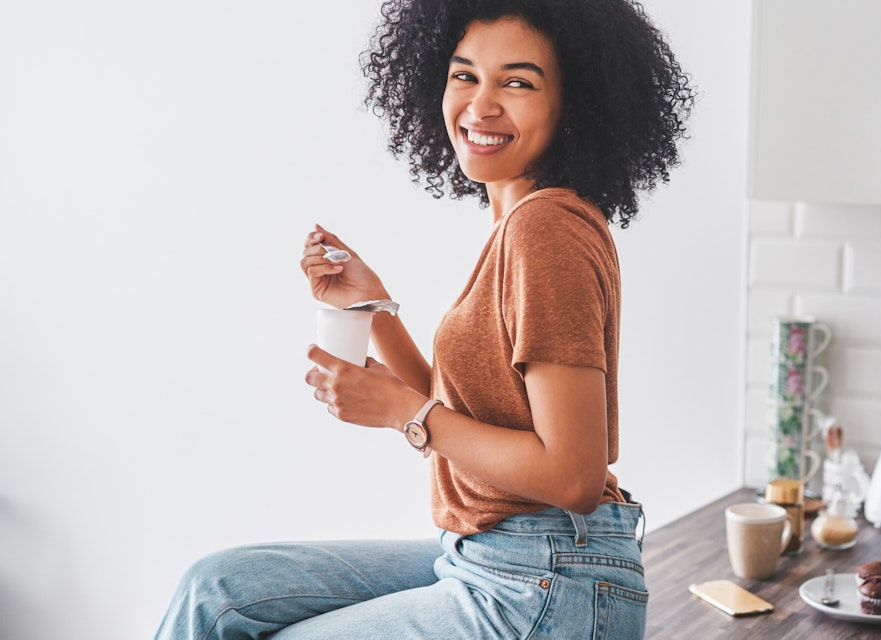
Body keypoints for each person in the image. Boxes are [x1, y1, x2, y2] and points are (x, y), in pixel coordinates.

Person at [154, 0, 694, 637]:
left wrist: (401, 413)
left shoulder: (545, 230)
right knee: (215, 590)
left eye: (517, 82)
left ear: (574, 104)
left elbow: (572, 476)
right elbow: (474, 414)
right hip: (499, 555)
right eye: (465, 75)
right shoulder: (520, 225)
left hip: (546, 578)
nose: (482, 104)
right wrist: (373, 308)